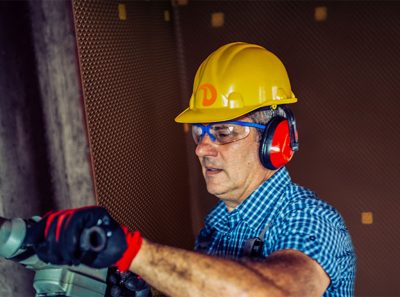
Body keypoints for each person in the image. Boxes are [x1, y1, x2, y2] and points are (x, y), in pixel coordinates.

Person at [27, 42, 356, 296]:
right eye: (200, 132)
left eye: (224, 132)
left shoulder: (311, 219)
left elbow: (279, 292)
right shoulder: (216, 229)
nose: (201, 148)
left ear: (275, 141)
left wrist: (133, 252)